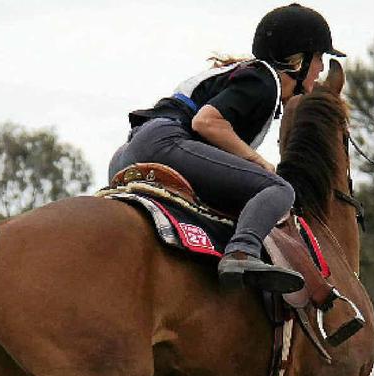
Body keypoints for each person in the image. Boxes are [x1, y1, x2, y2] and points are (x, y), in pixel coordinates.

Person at [108, 3, 344, 293]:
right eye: (319, 57)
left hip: (125, 156)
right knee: (279, 190)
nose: (321, 68)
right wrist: (257, 160)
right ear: (298, 60)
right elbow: (207, 122)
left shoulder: (252, 77)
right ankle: (242, 252)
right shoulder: (264, 81)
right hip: (162, 143)